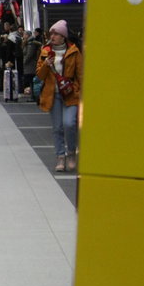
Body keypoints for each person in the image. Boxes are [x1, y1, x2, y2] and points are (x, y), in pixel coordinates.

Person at [36, 20, 83, 172]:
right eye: (51, 33)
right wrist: (46, 64)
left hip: (70, 95)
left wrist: (80, 92)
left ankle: (71, 153)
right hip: (53, 95)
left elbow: (80, 74)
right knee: (57, 128)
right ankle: (60, 157)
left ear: (63, 36)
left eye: (56, 33)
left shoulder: (74, 51)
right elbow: (40, 75)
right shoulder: (45, 52)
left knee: (69, 124)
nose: (53, 36)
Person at [21, 28, 41, 97]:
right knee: (30, 79)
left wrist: (24, 61)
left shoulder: (30, 44)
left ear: (27, 35)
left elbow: (29, 54)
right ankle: (32, 94)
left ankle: (33, 95)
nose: (23, 36)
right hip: (29, 64)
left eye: (24, 34)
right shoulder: (27, 43)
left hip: (30, 64)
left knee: (31, 79)